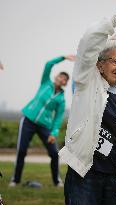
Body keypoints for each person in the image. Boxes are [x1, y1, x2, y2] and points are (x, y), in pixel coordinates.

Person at [59, 6, 116, 205]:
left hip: (114, 178)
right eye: (115, 61)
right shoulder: (87, 82)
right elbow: (88, 44)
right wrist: (115, 20)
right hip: (85, 174)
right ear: (99, 64)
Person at [9, 55, 74, 187]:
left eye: (65, 79)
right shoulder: (45, 83)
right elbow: (48, 64)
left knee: (54, 154)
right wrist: (63, 57)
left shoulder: (61, 99)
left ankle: (57, 181)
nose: (62, 79)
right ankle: (15, 180)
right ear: (56, 77)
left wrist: (54, 133)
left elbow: (58, 118)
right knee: (21, 151)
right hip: (28, 121)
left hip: (44, 126)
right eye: (61, 76)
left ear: (65, 84)